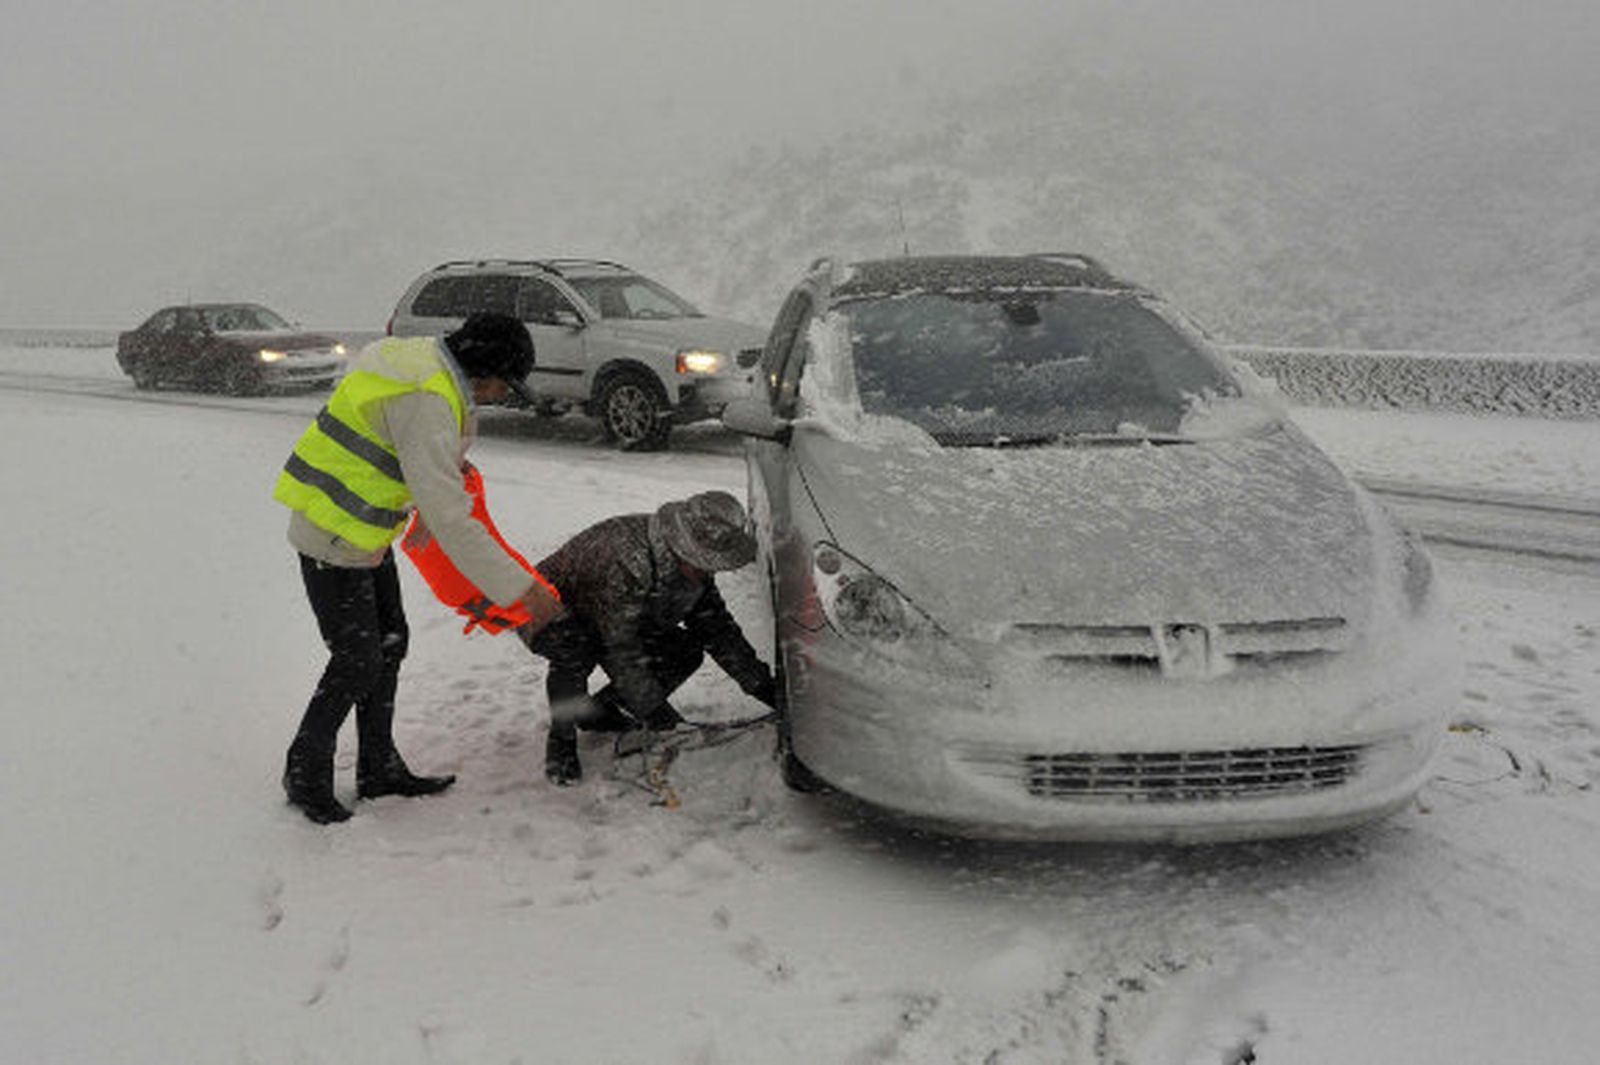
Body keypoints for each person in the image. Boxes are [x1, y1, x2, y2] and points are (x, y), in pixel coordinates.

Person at [272, 312, 564, 824]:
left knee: (390, 643)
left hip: (362, 531)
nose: (502, 395)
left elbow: (403, 444)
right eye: (504, 383)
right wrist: (526, 592)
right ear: (482, 369)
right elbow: (454, 522)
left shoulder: (426, 362)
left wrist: (436, 476)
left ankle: (378, 767)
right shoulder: (427, 397)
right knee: (357, 659)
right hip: (333, 532)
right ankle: (305, 772)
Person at [520, 490, 780, 785]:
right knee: (576, 650)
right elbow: (620, 650)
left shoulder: (695, 573)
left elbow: (718, 631)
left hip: (616, 612)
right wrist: (660, 716)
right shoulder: (627, 563)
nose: (709, 571)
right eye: (704, 562)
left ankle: (601, 710)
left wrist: (765, 688)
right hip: (545, 607)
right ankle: (561, 740)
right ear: (684, 547)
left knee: (685, 649)